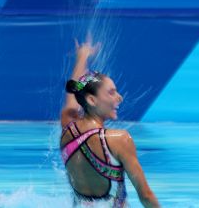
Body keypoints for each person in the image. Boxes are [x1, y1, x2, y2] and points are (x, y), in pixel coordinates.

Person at [60, 34, 159, 207]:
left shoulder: (67, 127)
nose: (119, 98)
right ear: (91, 100)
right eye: (111, 92)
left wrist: (82, 56)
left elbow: (73, 92)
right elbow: (146, 196)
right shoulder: (120, 139)